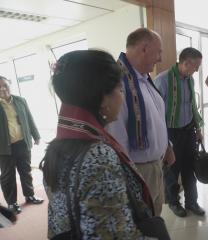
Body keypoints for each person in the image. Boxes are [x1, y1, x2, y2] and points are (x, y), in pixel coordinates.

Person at [41, 50, 167, 239]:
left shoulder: (59, 146)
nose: (122, 96)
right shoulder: (99, 157)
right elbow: (115, 235)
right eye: (120, 89)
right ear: (103, 99)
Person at [107, 27, 174, 217]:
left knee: (155, 213)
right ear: (144, 48)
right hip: (139, 172)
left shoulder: (144, 79)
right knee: (144, 221)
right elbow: (117, 140)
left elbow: (157, 120)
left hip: (155, 166)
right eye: (159, 51)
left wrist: (167, 147)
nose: (160, 58)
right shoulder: (118, 84)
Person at [155, 47, 205, 217]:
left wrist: (198, 129)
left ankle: (192, 203)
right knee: (173, 169)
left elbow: (192, 106)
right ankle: (174, 203)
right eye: (196, 66)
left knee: (190, 167)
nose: (197, 70)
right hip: (171, 133)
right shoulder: (162, 80)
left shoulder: (189, 80)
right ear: (186, 63)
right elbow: (155, 113)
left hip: (189, 130)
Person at [0, 76, 43, 214]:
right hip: (4, 147)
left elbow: (29, 118)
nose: (3, 89)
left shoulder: (20, 100)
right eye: (0, 87)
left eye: (5, 85)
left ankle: (29, 195)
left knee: (26, 171)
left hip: (22, 143)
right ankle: (12, 203)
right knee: (8, 176)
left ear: (9, 85)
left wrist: (35, 135)